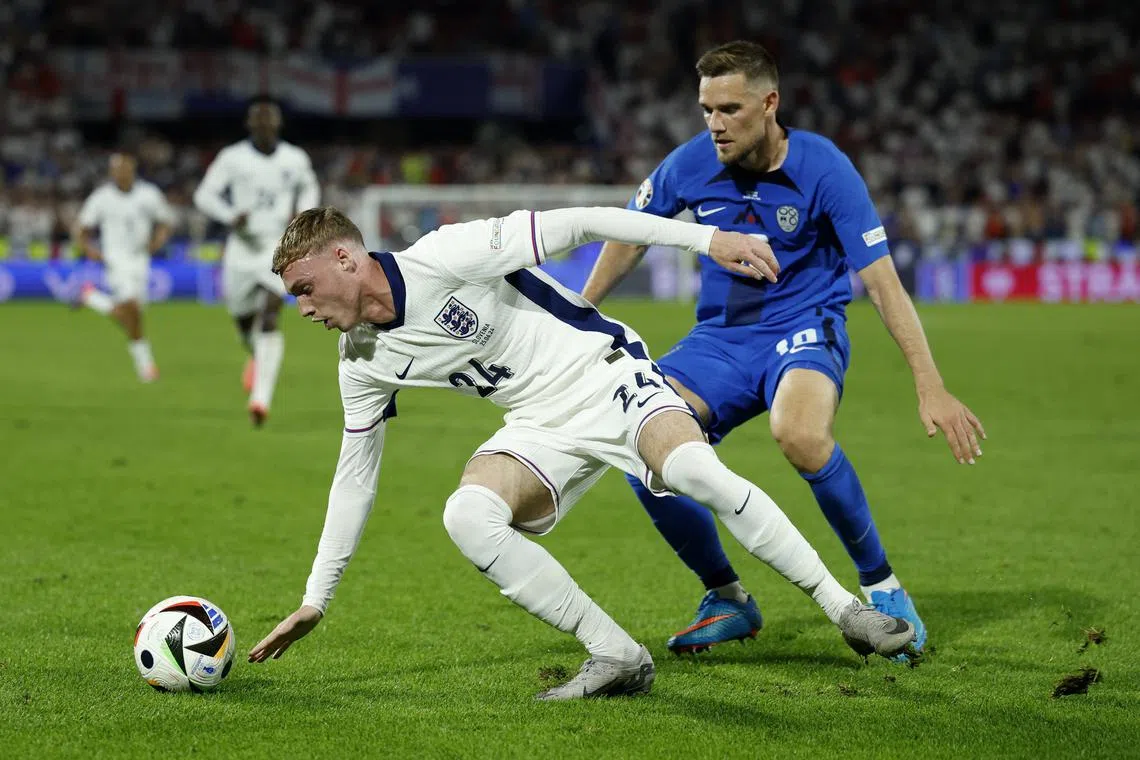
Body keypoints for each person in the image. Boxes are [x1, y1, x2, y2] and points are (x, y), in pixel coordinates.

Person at [246, 205, 916, 701]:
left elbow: (588, 221)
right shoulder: (360, 358)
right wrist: (316, 599)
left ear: (344, 260)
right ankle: (616, 654)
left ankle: (845, 610)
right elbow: (354, 478)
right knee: (466, 515)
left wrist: (709, 238)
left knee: (689, 469)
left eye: (303, 288)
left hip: (606, 373)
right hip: (538, 423)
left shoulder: (448, 256)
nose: (300, 307)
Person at [582, 40, 986, 657]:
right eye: (706, 109)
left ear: (769, 103)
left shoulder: (826, 168)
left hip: (805, 327)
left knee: (798, 433)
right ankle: (727, 597)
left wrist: (929, 383)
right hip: (719, 340)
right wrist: (580, 315)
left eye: (730, 109)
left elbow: (880, 281)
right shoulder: (689, 163)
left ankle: (881, 585)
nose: (715, 124)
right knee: (643, 446)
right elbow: (628, 235)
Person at [193, 95, 320, 426]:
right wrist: (229, 215)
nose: (264, 125)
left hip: (277, 247)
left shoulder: (294, 158)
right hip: (241, 250)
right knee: (243, 321)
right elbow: (204, 195)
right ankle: (254, 355)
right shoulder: (232, 158)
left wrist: (303, 214)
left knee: (270, 316)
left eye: (270, 119)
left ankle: (260, 399)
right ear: (249, 124)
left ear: (278, 123)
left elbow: (310, 188)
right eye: (258, 120)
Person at [74, 151, 174, 383]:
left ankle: (91, 297)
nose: (122, 174)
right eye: (118, 170)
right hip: (115, 259)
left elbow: (165, 221)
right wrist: (90, 251)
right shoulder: (101, 198)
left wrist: (157, 241)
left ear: (133, 170)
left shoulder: (148, 194)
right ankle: (146, 367)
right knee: (130, 309)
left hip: (140, 259)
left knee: (132, 313)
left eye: (126, 169)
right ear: (112, 172)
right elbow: (82, 229)